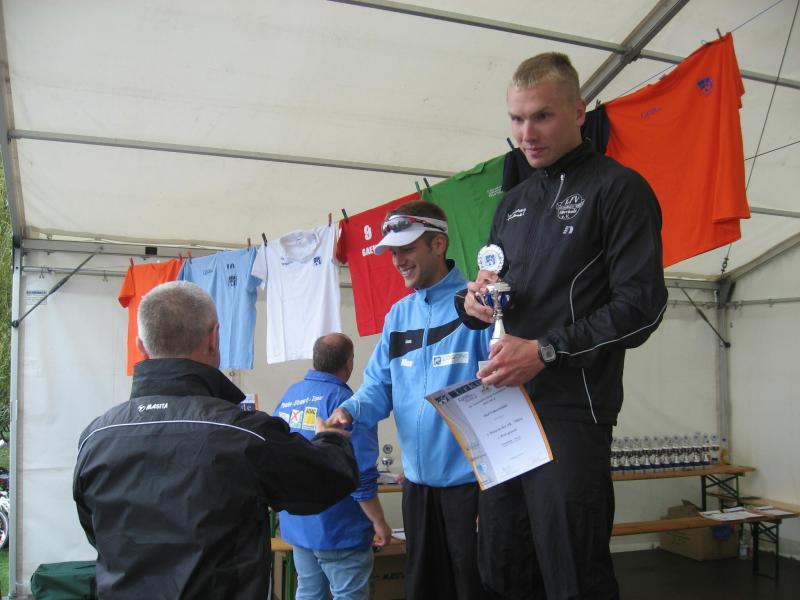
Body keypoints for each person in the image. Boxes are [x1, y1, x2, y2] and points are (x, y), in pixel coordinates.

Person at [457, 53, 668, 599]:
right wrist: (473, 301)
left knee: (572, 575)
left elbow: (642, 307)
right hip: (506, 409)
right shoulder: (513, 202)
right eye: (517, 118)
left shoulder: (618, 189)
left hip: (573, 410)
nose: (526, 134)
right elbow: (500, 287)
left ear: (578, 112)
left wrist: (546, 350)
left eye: (542, 117)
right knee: (501, 566)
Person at [73, 281, 359, 600]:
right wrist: (331, 438)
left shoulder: (95, 438)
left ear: (141, 346)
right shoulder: (243, 433)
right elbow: (328, 480)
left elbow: (97, 531)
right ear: (214, 338)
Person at [324, 200, 493, 600]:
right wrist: (349, 411)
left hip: (474, 490)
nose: (397, 261)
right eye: (392, 252)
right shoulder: (398, 316)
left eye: (406, 249)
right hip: (417, 489)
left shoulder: (479, 307)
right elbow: (378, 387)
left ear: (438, 244)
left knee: (475, 589)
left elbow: (506, 390)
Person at [274, 333, 391, 600]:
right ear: (349, 363)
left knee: (309, 592)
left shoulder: (290, 396)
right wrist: (379, 522)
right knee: (348, 594)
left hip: (298, 524)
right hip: (339, 528)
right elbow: (361, 475)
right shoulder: (347, 405)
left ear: (316, 359)